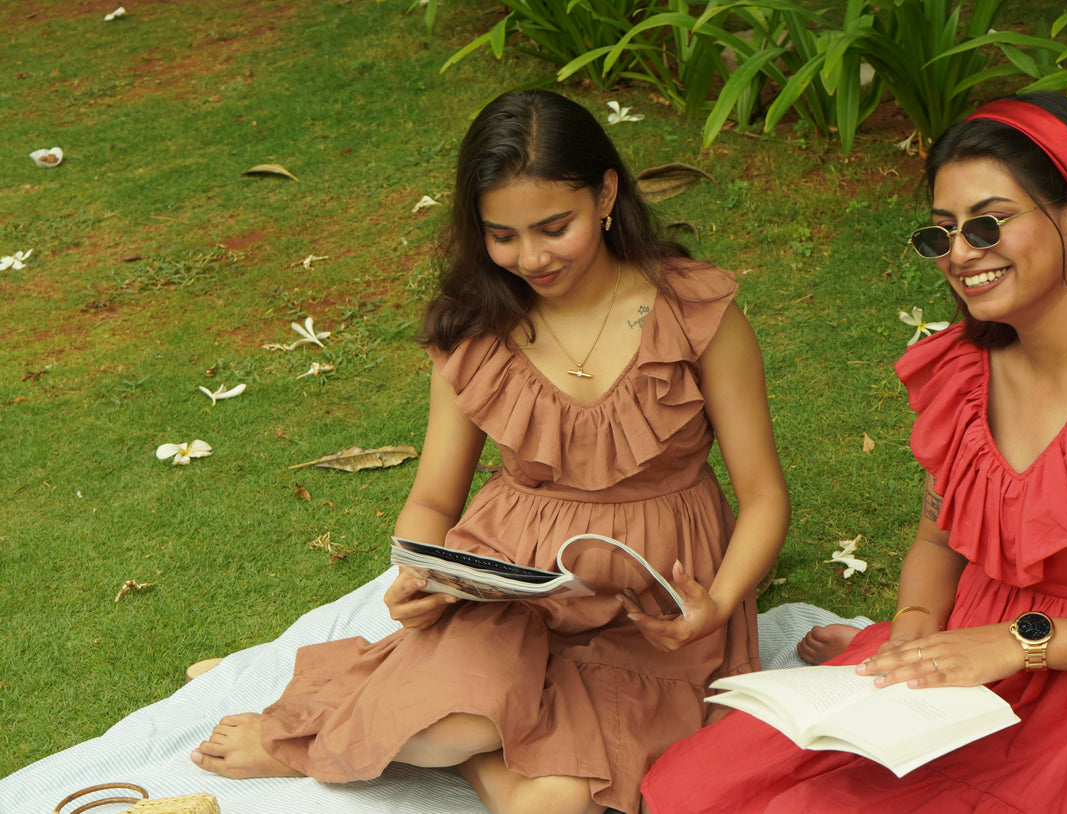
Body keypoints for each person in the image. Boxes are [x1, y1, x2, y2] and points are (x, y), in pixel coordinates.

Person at [641, 91, 1067, 813]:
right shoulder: (962, 370)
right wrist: (911, 627)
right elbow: (935, 541)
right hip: (971, 666)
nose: (961, 254)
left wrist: (1020, 642)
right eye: (941, 232)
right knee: (702, 785)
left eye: (989, 222)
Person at [189, 89, 790, 814]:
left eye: (552, 226)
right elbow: (435, 499)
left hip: (651, 607)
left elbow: (761, 496)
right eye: (501, 236)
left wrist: (717, 605)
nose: (529, 257)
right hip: (510, 584)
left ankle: (420, 735)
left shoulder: (695, 310)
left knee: (561, 803)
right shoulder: (476, 328)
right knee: (449, 729)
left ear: (605, 194)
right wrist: (417, 571)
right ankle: (309, 736)